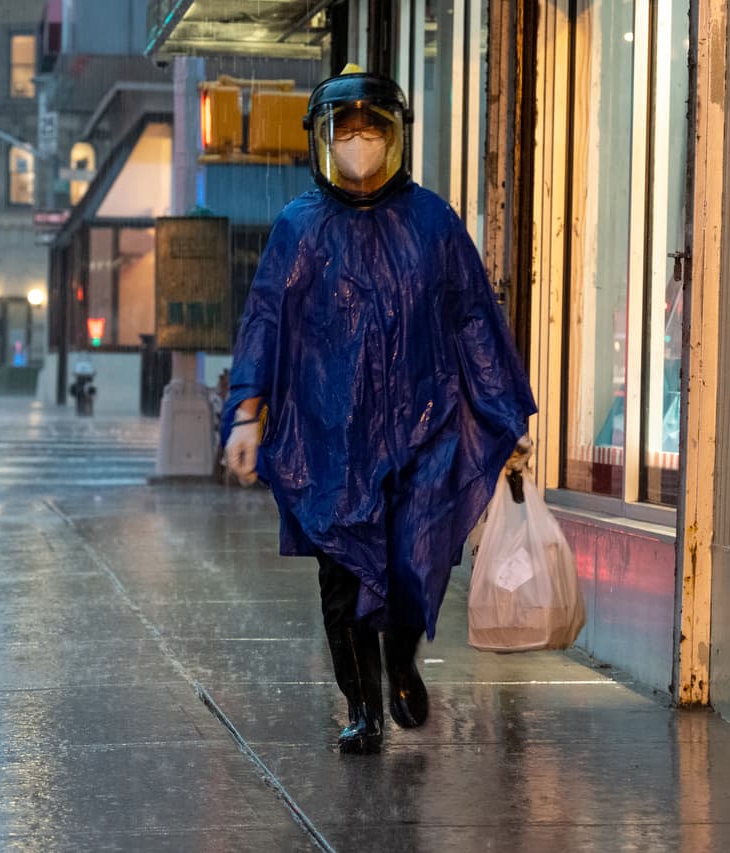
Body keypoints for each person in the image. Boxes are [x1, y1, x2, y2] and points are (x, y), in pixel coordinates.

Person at [221, 67, 537, 755]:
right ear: (322, 142)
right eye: (345, 131)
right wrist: (247, 413)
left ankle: (400, 663)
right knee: (341, 579)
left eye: (372, 129)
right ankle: (362, 704)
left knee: (409, 562)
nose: (359, 144)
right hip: (329, 441)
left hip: (421, 432)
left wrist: (504, 416)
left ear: (396, 138)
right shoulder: (299, 228)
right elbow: (266, 321)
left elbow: (474, 322)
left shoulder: (432, 223)